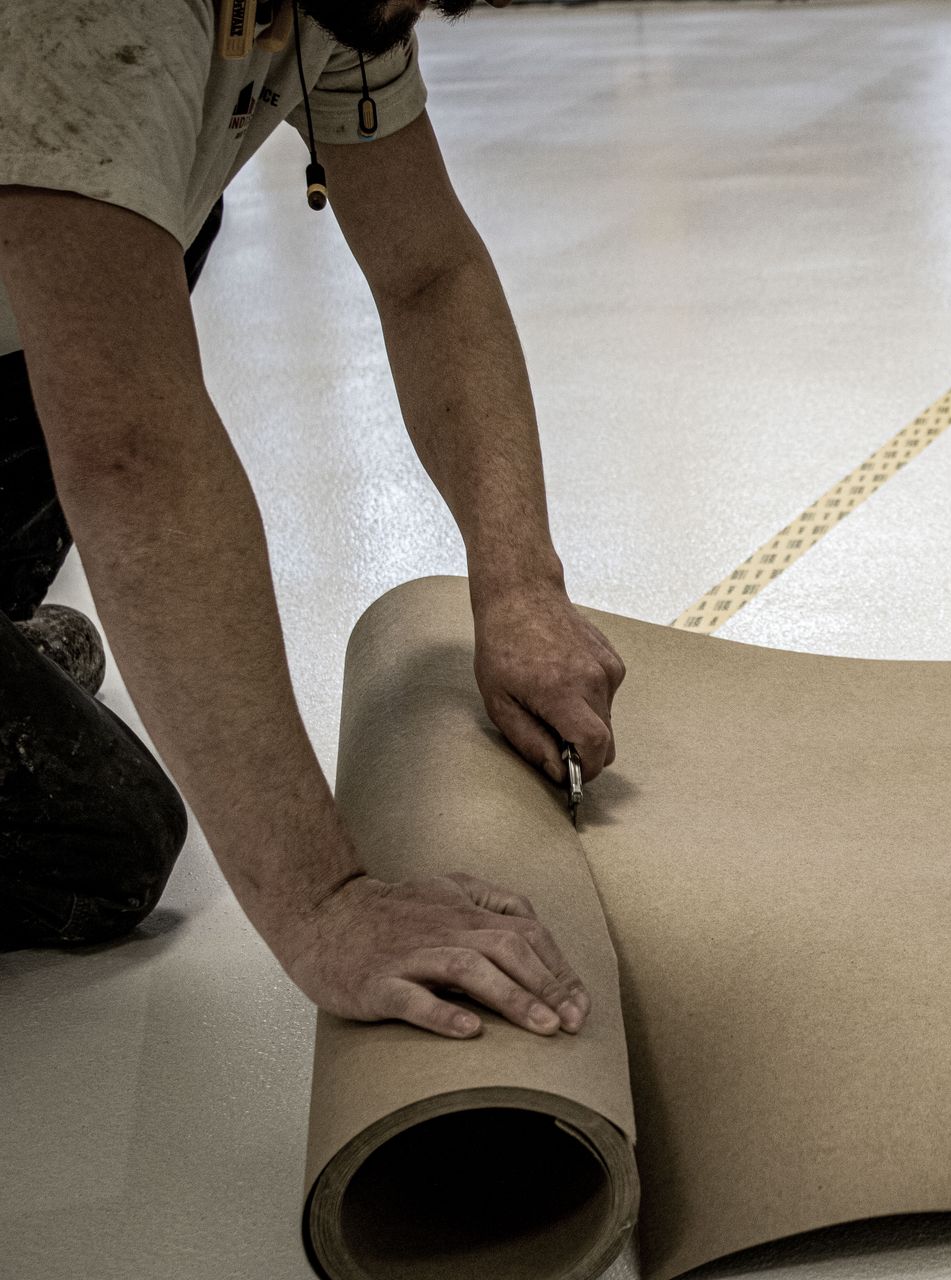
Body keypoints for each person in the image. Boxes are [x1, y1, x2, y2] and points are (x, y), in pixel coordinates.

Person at [0, 0, 624, 1041]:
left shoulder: (340, 4)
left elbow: (429, 275)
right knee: (100, 838)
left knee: (128, 239)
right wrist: (323, 903)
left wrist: (520, 582)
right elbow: (129, 453)